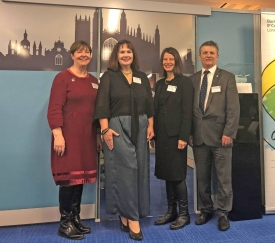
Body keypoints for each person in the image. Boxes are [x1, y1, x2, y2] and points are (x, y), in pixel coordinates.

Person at [94, 39, 154, 241]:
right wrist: (105, 130)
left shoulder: (141, 77)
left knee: (141, 170)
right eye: (121, 52)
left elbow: (149, 104)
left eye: (129, 51)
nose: (126, 55)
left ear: (133, 55)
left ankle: (126, 213)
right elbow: (102, 104)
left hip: (142, 126)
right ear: (116, 56)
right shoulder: (109, 77)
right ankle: (132, 218)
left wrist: (151, 126)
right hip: (117, 127)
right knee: (125, 169)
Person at [47, 40, 102, 240]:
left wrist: (97, 135)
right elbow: (54, 108)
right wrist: (58, 134)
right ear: (72, 55)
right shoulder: (62, 78)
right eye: (79, 52)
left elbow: (98, 111)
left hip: (87, 137)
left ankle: (75, 219)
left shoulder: (94, 81)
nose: (84, 55)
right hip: (67, 137)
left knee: (80, 178)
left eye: (87, 52)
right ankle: (64, 223)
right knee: (68, 180)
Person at [189, 40, 239, 231]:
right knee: (202, 178)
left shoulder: (227, 78)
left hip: (221, 138)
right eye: (205, 52)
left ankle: (223, 213)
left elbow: (233, 109)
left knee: (223, 178)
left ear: (217, 56)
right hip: (199, 138)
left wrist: (229, 132)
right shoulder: (193, 80)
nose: (208, 55)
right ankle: (205, 210)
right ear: (200, 56)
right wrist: (190, 134)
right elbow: (189, 110)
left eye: (212, 52)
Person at [152, 47, 193, 230]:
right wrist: (153, 133)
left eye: (171, 59)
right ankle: (171, 211)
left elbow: (187, 112)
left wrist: (184, 136)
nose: (167, 62)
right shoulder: (159, 84)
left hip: (177, 137)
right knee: (167, 175)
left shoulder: (184, 82)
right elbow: (156, 109)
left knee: (177, 176)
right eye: (165, 59)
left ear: (176, 61)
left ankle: (184, 214)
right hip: (162, 136)